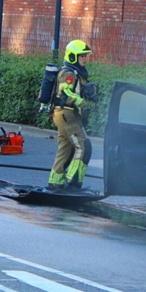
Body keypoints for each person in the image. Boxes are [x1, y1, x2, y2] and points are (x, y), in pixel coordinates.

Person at [48, 39, 97, 188]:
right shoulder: (69, 72)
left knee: (66, 148)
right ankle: (73, 182)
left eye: (85, 56)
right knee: (83, 147)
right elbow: (65, 93)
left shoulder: (75, 72)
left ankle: (55, 183)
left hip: (64, 114)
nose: (84, 59)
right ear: (73, 56)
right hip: (67, 114)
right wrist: (82, 103)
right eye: (81, 56)